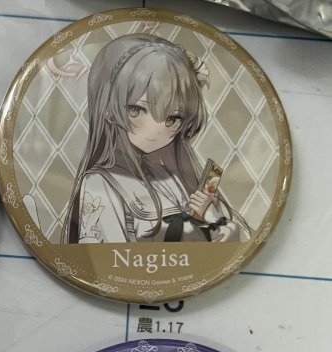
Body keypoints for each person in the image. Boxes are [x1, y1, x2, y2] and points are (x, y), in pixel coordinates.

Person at [63, 34, 250, 244]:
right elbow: (108, 259)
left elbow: (219, 249)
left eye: (172, 119)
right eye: (136, 110)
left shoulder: (173, 174)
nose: (154, 132)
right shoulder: (100, 182)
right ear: (108, 109)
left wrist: (215, 220)